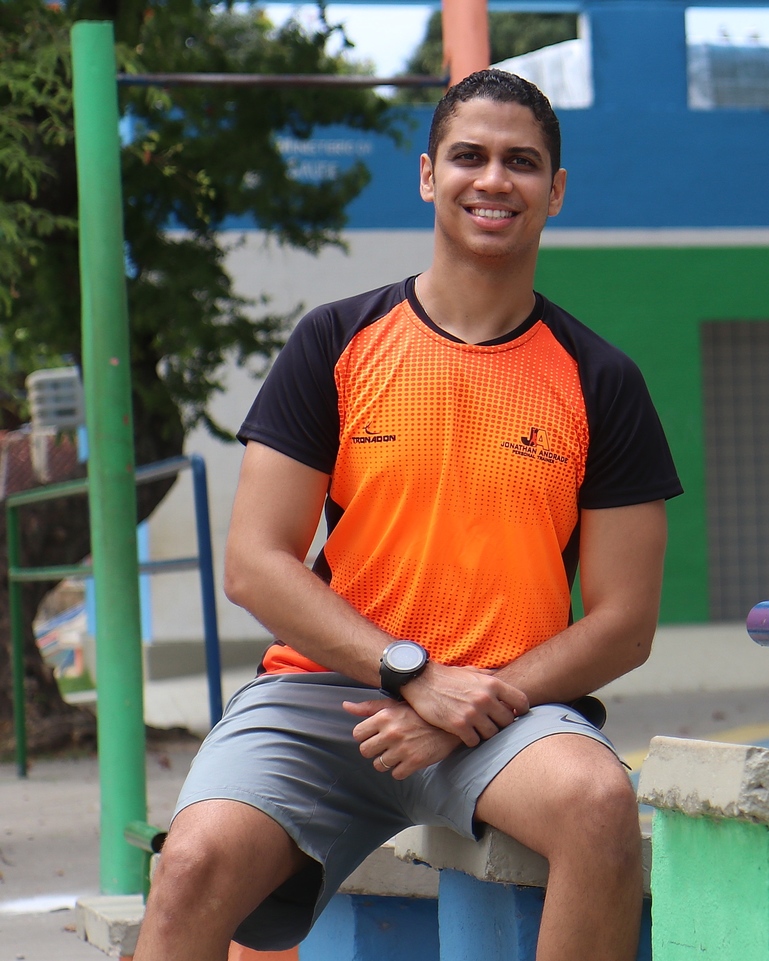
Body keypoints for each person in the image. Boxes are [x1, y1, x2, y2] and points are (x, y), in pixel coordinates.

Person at [134, 70, 682, 961]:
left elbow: (624, 624)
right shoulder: (336, 340)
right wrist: (412, 675)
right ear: (429, 175)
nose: (493, 179)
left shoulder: (600, 379)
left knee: (597, 804)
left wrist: (465, 701)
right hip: (324, 696)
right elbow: (255, 563)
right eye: (469, 156)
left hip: (506, 712)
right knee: (189, 864)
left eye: (522, 162)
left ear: (557, 190)